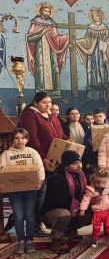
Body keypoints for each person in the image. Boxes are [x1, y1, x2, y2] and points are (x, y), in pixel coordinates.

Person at [18, 92, 66, 230]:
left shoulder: (52, 115)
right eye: (44, 102)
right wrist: (43, 157)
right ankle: (35, 224)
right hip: (39, 160)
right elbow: (32, 139)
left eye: (49, 102)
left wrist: (68, 140)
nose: (48, 105)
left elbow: (60, 134)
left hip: (54, 160)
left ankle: (47, 221)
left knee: (51, 192)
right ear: (35, 103)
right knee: (40, 193)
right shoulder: (30, 115)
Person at [0, 128, 45, 253]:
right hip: (14, 190)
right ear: (12, 140)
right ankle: (21, 240)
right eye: (16, 138)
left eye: (22, 138)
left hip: (30, 189)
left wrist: (40, 180)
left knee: (30, 215)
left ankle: (29, 240)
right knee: (18, 215)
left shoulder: (33, 152)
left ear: (27, 139)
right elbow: (1, 170)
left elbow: (40, 168)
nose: (20, 140)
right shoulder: (6, 154)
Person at [40, 151, 91, 254]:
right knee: (64, 214)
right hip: (53, 213)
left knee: (96, 207)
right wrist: (81, 208)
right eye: (75, 163)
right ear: (66, 165)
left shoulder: (83, 176)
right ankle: (56, 239)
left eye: (80, 162)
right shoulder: (56, 179)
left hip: (73, 209)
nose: (79, 166)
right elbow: (62, 203)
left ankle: (70, 230)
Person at [26, 2, 70, 101]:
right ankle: (40, 96)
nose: (47, 13)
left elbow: (56, 38)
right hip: (40, 51)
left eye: (49, 11)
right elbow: (30, 38)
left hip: (51, 52)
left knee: (55, 70)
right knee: (41, 71)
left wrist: (66, 39)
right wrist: (42, 32)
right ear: (41, 11)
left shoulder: (51, 23)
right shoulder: (36, 22)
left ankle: (57, 95)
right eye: (45, 11)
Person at [75, 6, 109, 102]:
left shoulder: (105, 27)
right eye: (93, 16)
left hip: (101, 53)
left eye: (97, 16)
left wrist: (104, 43)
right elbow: (87, 40)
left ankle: (103, 95)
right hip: (92, 53)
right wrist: (78, 41)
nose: (95, 18)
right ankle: (90, 96)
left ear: (100, 16)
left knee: (102, 71)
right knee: (91, 71)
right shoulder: (91, 27)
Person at [79, 171, 109, 247]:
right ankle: (95, 239)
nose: (106, 184)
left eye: (106, 182)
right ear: (96, 184)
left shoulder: (108, 187)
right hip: (97, 212)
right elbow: (85, 200)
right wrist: (82, 210)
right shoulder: (90, 191)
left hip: (107, 211)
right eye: (104, 183)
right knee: (96, 227)